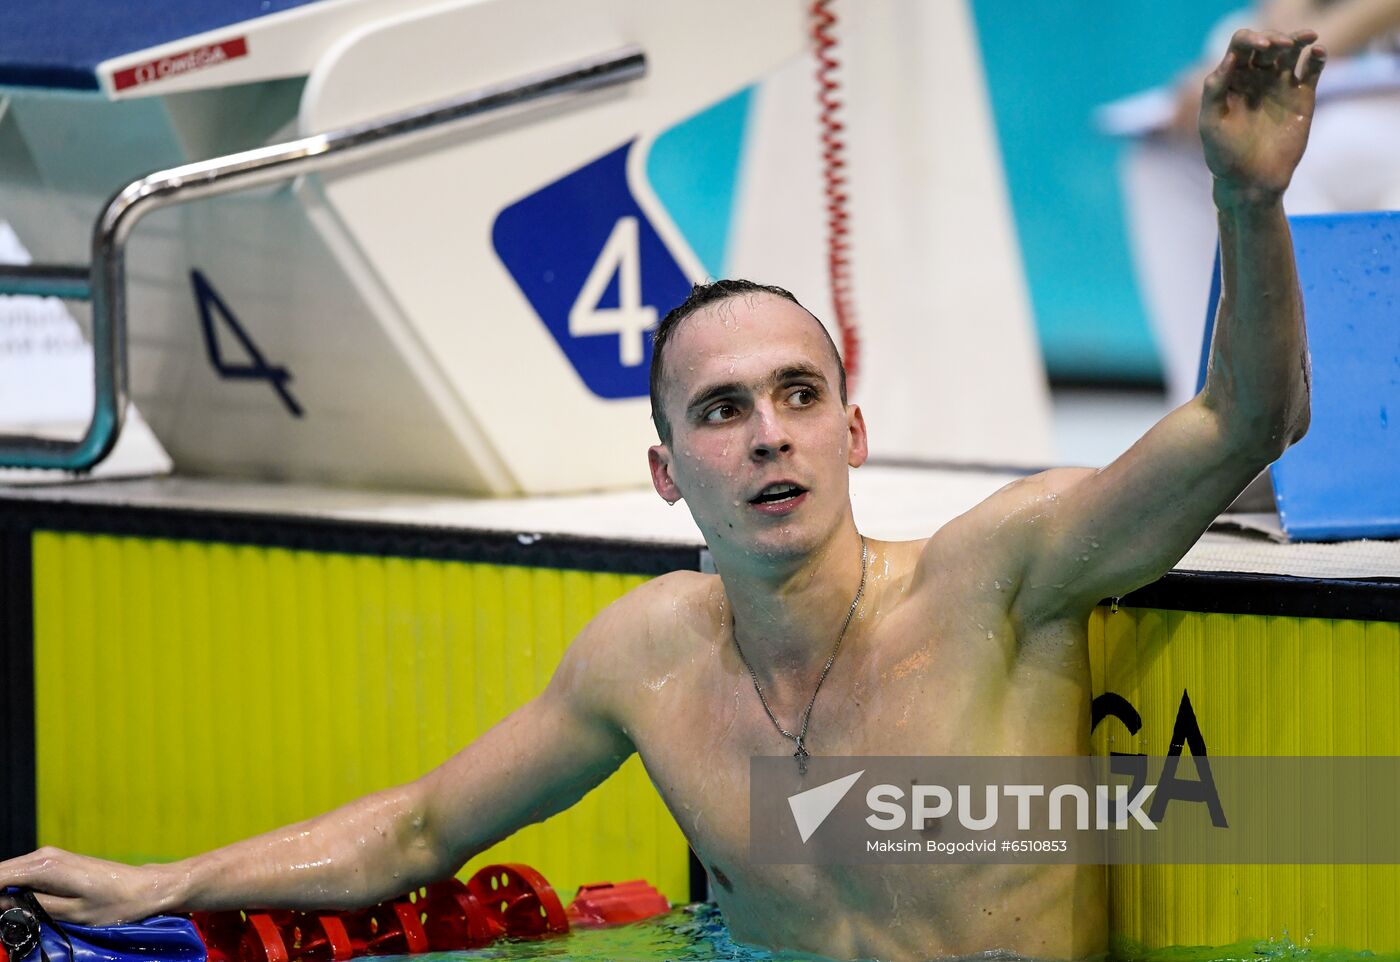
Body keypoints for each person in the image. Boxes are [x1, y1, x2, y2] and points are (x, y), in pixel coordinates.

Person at [0, 28, 1324, 962]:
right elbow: (415, 827)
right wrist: (154, 883)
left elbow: (1241, 421)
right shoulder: (651, 659)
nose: (769, 436)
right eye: (723, 409)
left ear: (855, 431)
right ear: (665, 470)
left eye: (801, 396)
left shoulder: (999, 574)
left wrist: (1243, 199)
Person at [1124, 0, 1400, 406]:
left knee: (1288, 156)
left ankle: (1314, 412)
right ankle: (1204, 414)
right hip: (1365, 81)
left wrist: (1286, 63)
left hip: (1375, 91)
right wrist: (1261, 51)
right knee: (1169, 156)